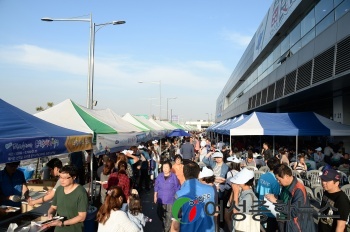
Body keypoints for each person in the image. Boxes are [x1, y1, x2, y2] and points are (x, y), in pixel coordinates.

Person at [265, 164, 316, 232]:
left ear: (286, 176)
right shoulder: (285, 185)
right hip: (284, 221)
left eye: (279, 179)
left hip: (296, 226)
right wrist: (274, 197)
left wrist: (276, 201)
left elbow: (294, 211)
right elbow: (284, 199)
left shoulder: (298, 190)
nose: (278, 182)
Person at [171, 161, 216, 232]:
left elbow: (175, 226)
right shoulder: (210, 189)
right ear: (198, 174)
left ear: (184, 174)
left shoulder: (179, 195)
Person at [44, 165, 88, 232]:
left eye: (65, 178)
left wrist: (62, 223)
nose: (62, 180)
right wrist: (50, 213)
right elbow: (53, 207)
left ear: (74, 177)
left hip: (74, 229)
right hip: (58, 229)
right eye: (60, 177)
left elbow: (82, 217)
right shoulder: (59, 190)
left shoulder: (81, 193)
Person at [154, 160, 180, 232]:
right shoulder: (159, 176)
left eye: (166, 167)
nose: (165, 169)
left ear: (170, 168)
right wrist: (155, 196)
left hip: (170, 200)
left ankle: (166, 229)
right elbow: (156, 186)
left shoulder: (174, 177)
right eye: (163, 167)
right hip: (161, 199)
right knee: (159, 213)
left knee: (168, 216)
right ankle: (165, 224)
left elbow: (177, 187)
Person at [255, 158, 280, 232]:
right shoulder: (276, 180)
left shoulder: (262, 176)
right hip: (271, 211)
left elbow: (258, 191)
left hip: (261, 207)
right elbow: (276, 196)